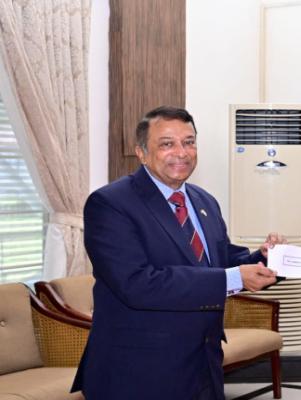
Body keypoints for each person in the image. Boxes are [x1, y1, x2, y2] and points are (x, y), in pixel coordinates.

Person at [71, 106, 281, 400]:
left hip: (204, 362)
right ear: (142, 153)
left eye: (189, 142)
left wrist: (269, 258)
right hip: (138, 371)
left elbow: (222, 262)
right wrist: (233, 278)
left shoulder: (204, 200)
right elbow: (137, 284)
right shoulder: (110, 204)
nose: (182, 152)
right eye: (167, 144)